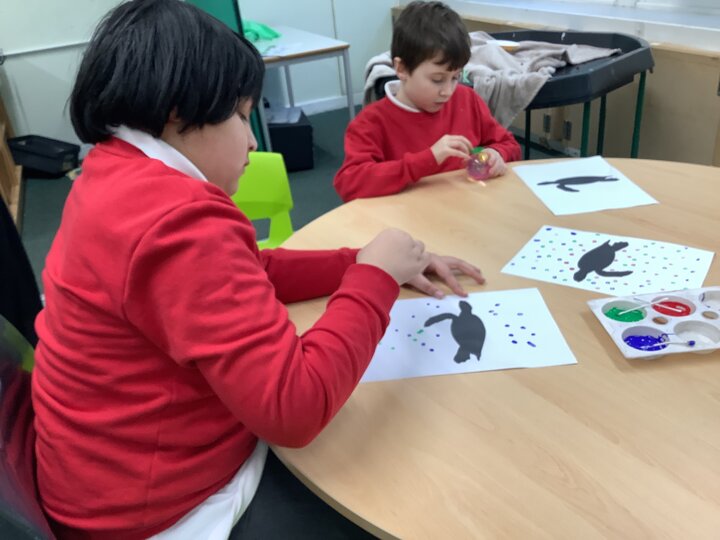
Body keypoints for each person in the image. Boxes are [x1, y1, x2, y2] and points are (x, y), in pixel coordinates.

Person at [30, 1, 486, 538]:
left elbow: (247, 269)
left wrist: (361, 261)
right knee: (410, 481)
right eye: (243, 116)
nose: (251, 141)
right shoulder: (178, 219)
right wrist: (375, 279)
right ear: (178, 112)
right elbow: (295, 409)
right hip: (156, 509)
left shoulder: (113, 172)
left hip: (99, 476)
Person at [333, 1, 521, 202]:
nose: (448, 91)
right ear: (401, 69)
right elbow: (349, 183)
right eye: (437, 79)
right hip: (405, 215)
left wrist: (496, 153)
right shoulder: (371, 122)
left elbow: (509, 144)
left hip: (463, 209)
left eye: (455, 77)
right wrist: (427, 159)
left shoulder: (467, 99)